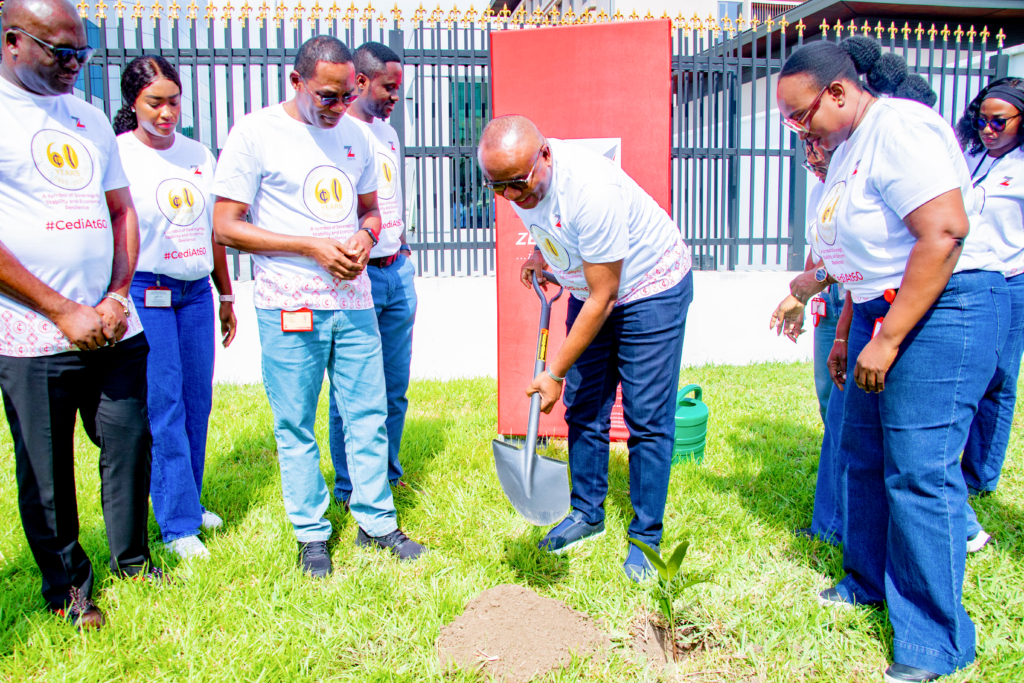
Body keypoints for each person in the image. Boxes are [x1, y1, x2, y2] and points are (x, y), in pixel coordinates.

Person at [775, 36, 1009, 682]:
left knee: (919, 472)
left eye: (800, 116)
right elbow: (864, 257)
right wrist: (853, 328)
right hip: (883, 310)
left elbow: (943, 232)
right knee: (862, 452)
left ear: (840, 92)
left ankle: (936, 641)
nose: (798, 131)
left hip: (946, 308)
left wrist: (890, 334)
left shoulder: (901, 128)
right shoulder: (850, 149)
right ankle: (868, 579)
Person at [211, 35, 427, 579]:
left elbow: (372, 211)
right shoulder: (256, 133)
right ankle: (311, 533)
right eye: (327, 97)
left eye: (347, 95)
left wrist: (363, 236)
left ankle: (378, 523)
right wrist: (309, 247)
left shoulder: (356, 135)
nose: (338, 108)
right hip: (290, 304)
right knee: (296, 424)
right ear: (296, 82)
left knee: (368, 413)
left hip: (354, 301)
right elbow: (225, 225)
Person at [477, 115, 694, 582]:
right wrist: (543, 253)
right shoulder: (517, 181)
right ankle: (586, 512)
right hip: (593, 288)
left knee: (646, 417)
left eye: (519, 184)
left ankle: (646, 537)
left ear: (546, 156)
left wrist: (553, 371)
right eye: (500, 189)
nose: (513, 197)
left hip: (650, 286)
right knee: (584, 405)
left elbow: (604, 297)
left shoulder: (590, 191)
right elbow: (549, 227)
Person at [0, 0, 159, 630]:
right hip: (34, 332)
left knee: (129, 441)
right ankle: (68, 590)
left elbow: (121, 210)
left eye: (82, 54)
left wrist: (118, 295)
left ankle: (133, 562)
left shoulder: (89, 117)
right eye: (60, 52)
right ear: (13, 41)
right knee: (46, 469)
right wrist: (62, 309)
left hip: (113, 323)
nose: (75, 65)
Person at [113, 56, 237, 561]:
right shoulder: (118, 154)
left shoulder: (198, 154)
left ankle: (188, 498)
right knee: (164, 405)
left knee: (196, 402)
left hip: (194, 294)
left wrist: (226, 294)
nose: (166, 112)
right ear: (134, 104)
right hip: (147, 292)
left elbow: (214, 231)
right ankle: (178, 525)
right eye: (154, 103)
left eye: (173, 101)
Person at [328, 42, 415, 506]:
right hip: (356, 277)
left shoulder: (388, 134)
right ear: (360, 82)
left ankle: (388, 473)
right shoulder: (337, 134)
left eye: (398, 88)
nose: (394, 97)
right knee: (352, 390)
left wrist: (399, 245)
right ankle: (349, 487)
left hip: (397, 271)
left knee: (394, 387)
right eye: (389, 87)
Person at [955, 77, 1024, 553]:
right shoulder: (973, 157)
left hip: (1014, 279)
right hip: (974, 276)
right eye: (982, 119)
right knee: (975, 375)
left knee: (999, 378)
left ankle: (979, 474)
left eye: (999, 121)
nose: (988, 128)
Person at [770, 140, 846, 545]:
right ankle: (834, 517)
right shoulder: (822, 186)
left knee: (846, 413)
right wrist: (804, 299)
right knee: (828, 400)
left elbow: (853, 261)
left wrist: (807, 288)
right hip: (829, 298)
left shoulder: (854, 179)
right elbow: (819, 252)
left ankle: (837, 521)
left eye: (819, 147)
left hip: (858, 297)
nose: (812, 156)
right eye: (806, 148)